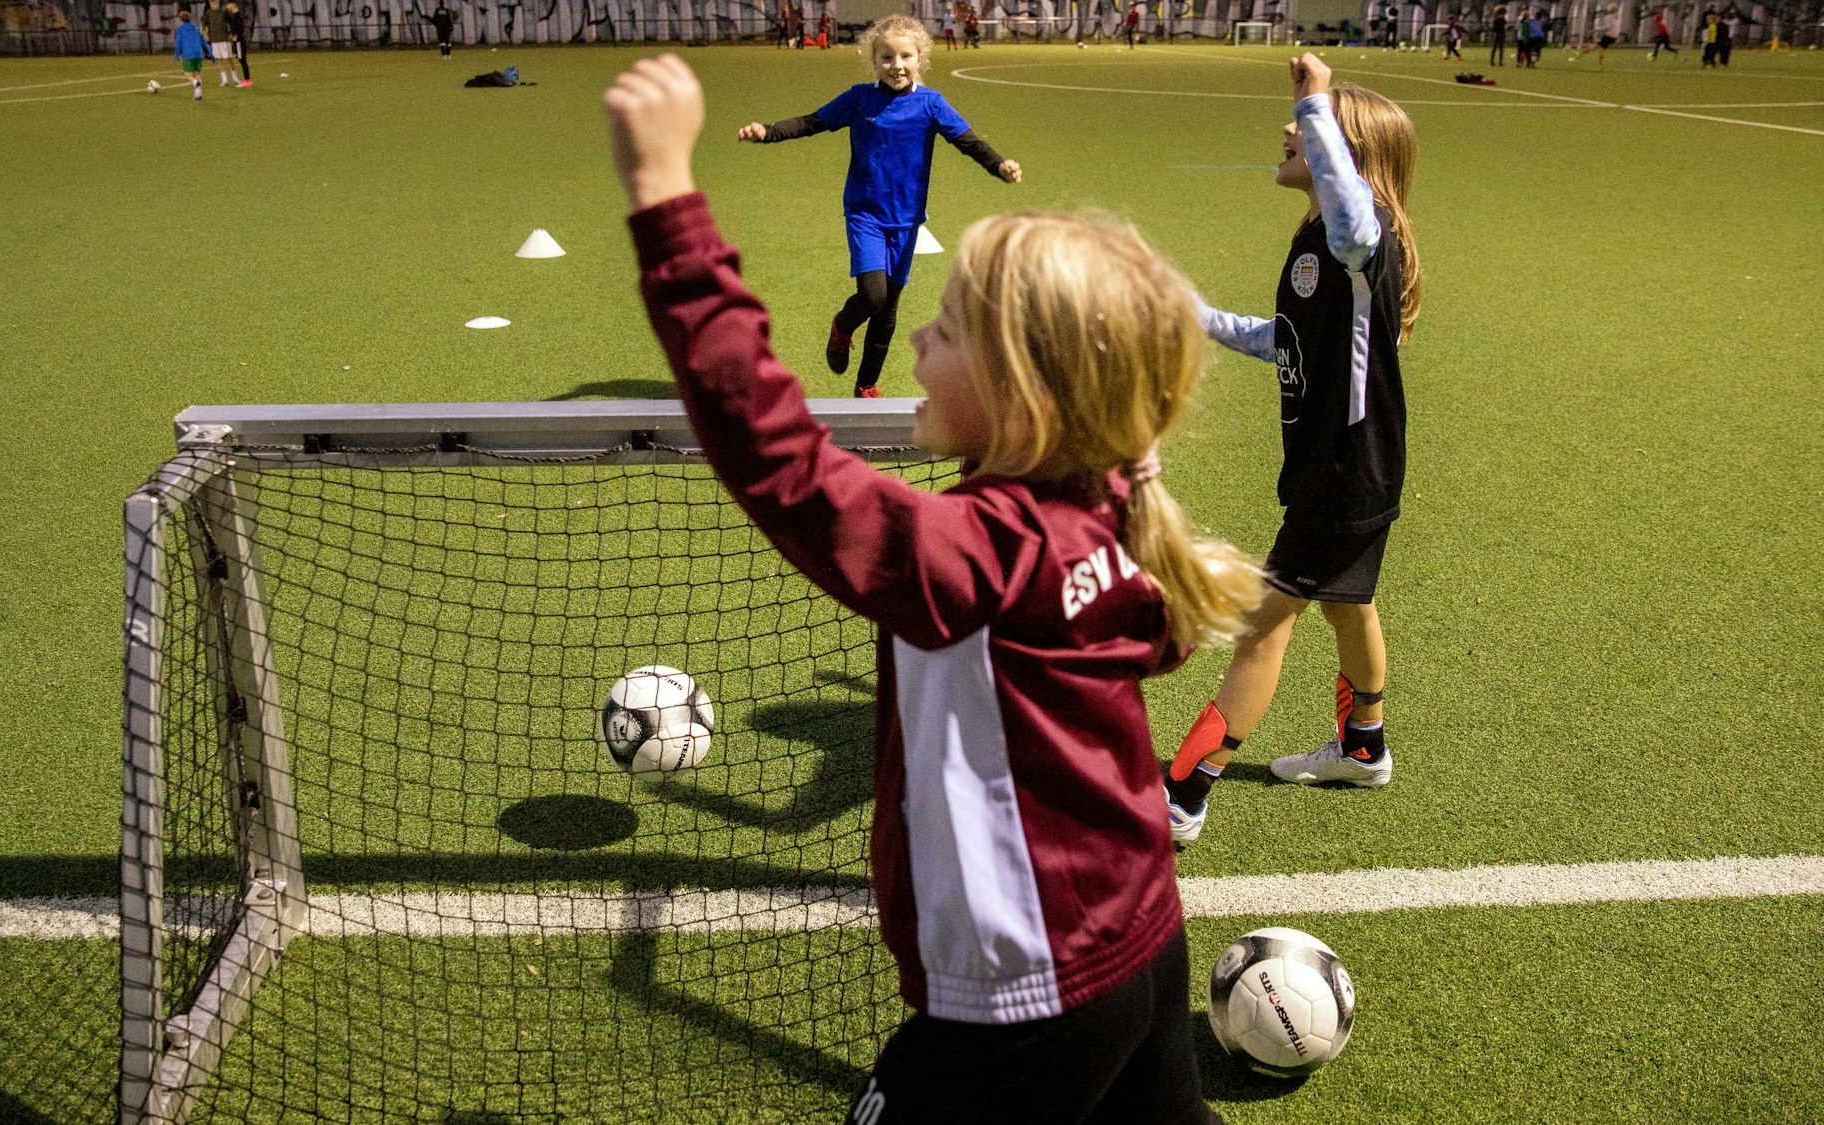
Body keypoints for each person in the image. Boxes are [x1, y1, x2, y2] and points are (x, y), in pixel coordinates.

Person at [606, 50, 1260, 1125]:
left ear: (1020, 390)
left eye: (945, 329)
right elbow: (1153, 642)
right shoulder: (1106, 504)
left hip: (1027, 995)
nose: (914, 336)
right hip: (1144, 939)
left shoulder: (981, 552)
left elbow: (779, 460)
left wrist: (668, 205)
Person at [1163, 53, 1423, 842]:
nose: (1289, 127)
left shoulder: (1356, 237)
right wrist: (1194, 314)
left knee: (1262, 628)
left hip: (1342, 476)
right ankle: (1364, 746)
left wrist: (1316, 102)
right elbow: (1284, 339)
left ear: (1346, 158)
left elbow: (1355, 213)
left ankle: (1180, 794)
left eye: (1311, 126)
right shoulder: (1319, 244)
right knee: (1349, 604)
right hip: (1350, 471)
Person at [737, 15, 1021, 398]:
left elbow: (967, 141)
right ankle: (842, 325)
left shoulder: (931, 104)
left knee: (888, 310)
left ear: (920, 59)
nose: (896, 66)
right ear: (874, 61)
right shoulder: (859, 99)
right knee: (873, 296)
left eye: (905, 56)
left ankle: (865, 385)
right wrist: (767, 132)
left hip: (907, 221)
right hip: (865, 214)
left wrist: (999, 166)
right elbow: (812, 122)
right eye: (886, 57)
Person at [202, 2, 239, 87]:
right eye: (212, 3)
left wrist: (231, 33)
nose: (213, 5)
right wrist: (205, 34)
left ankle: (235, 78)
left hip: (224, 39)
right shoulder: (208, 12)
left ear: (218, 2)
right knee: (219, 59)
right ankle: (224, 79)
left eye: (215, 3)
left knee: (229, 58)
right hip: (214, 40)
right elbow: (203, 23)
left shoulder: (224, 11)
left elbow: (232, 22)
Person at [172, 10, 207, 99]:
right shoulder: (196, 28)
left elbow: (178, 43)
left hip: (188, 54)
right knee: (197, 74)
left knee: (188, 75)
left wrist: (176, 55)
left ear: (181, 19)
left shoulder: (180, 30)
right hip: (198, 54)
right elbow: (202, 41)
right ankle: (198, 95)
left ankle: (195, 83)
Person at [226, 0, 252, 85]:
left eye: (228, 4)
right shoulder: (234, 15)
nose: (227, 6)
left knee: (242, 60)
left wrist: (236, 35)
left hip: (239, 41)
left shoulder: (237, 15)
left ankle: (247, 80)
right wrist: (232, 34)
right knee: (241, 59)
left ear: (233, 5)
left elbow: (241, 27)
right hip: (238, 41)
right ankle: (246, 79)